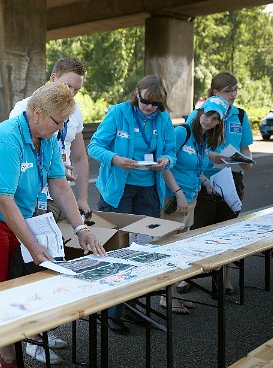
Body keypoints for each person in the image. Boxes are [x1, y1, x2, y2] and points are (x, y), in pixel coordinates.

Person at [0, 81, 106, 368]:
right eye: (58, 122)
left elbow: (60, 186)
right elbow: (3, 200)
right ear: (37, 113)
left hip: (20, 221)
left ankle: (9, 358)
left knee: (14, 294)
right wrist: (33, 244)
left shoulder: (47, 138)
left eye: (64, 123)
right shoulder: (5, 139)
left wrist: (81, 229)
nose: (61, 130)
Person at [8, 57, 90, 363]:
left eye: (77, 89)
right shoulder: (24, 109)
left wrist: (81, 199)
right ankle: (30, 336)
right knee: (28, 266)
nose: (72, 92)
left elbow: (80, 157)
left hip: (55, 197)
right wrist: (51, 170)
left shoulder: (73, 112)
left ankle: (44, 326)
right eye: (67, 85)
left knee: (51, 264)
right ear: (52, 77)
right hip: (29, 199)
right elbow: (25, 155)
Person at [87, 74, 176, 334]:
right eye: (146, 101)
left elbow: (170, 152)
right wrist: (115, 159)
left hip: (149, 190)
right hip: (119, 190)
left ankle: (133, 307)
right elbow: (95, 146)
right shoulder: (118, 113)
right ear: (137, 93)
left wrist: (166, 161)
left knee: (142, 249)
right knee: (116, 249)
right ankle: (113, 312)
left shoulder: (164, 120)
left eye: (155, 104)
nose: (149, 108)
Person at [182, 71, 254, 295]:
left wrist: (247, 161)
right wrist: (210, 158)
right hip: (204, 177)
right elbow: (190, 143)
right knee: (198, 227)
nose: (233, 94)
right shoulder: (199, 114)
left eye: (235, 90)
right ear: (215, 92)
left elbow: (245, 146)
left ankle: (222, 277)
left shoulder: (240, 115)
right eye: (228, 90)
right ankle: (188, 276)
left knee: (226, 229)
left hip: (231, 177)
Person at [158, 96, 228, 314]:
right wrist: (178, 193)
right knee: (168, 248)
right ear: (200, 112)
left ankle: (173, 293)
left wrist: (206, 183)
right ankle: (165, 296)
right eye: (209, 115)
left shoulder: (202, 139)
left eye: (216, 119)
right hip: (173, 200)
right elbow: (164, 165)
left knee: (179, 248)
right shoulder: (182, 132)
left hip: (190, 199)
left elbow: (195, 169)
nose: (210, 121)